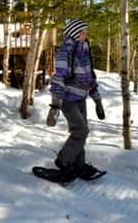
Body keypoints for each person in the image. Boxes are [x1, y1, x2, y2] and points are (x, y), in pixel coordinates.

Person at [45, 19, 106, 182]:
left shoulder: (85, 50)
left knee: (81, 133)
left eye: (85, 32)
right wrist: (55, 106)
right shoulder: (65, 52)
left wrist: (97, 100)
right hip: (68, 100)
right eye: (83, 32)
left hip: (81, 98)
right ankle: (63, 161)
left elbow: (89, 77)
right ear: (74, 33)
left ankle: (78, 165)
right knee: (81, 131)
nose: (86, 34)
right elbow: (58, 79)